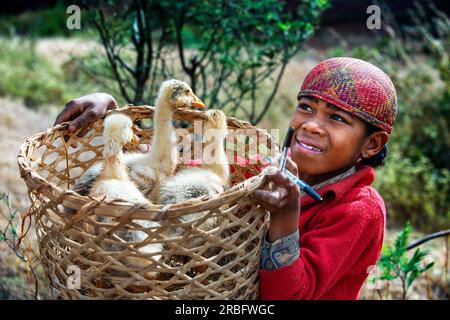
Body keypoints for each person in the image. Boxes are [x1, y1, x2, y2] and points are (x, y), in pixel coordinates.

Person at [55, 57, 397, 300]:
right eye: (306, 107)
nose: (310, 124)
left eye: (336, 118)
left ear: (371, 143)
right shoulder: (264, 167)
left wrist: (284, 218)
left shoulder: (359, 209)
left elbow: (289, 296)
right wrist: (115, 114)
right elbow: (164, 169)